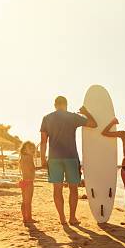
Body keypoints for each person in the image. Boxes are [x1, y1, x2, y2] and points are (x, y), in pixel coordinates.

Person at [41, 95, 97, 225]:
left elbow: (43, 141)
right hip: (71, 157)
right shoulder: (72, 117)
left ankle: (62, 218)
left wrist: (43, 159)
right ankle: (72, 218)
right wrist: (86, 113)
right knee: (73, 188)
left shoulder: (47, 118)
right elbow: (94, 124)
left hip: (54, 158)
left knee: (57, 189)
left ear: (55, 105)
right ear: (66, 104)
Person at [19, 141, 37, 224]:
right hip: (29, 182)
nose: (33, 150)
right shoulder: (29, 158)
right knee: (28, 202)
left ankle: (24, 218)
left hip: (23, 181)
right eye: (30, 148)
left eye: (33, 148)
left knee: (24, 201)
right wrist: (43, 167)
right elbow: (32, 169)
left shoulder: (22, 157)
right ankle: (29, 218)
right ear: (25, 150)